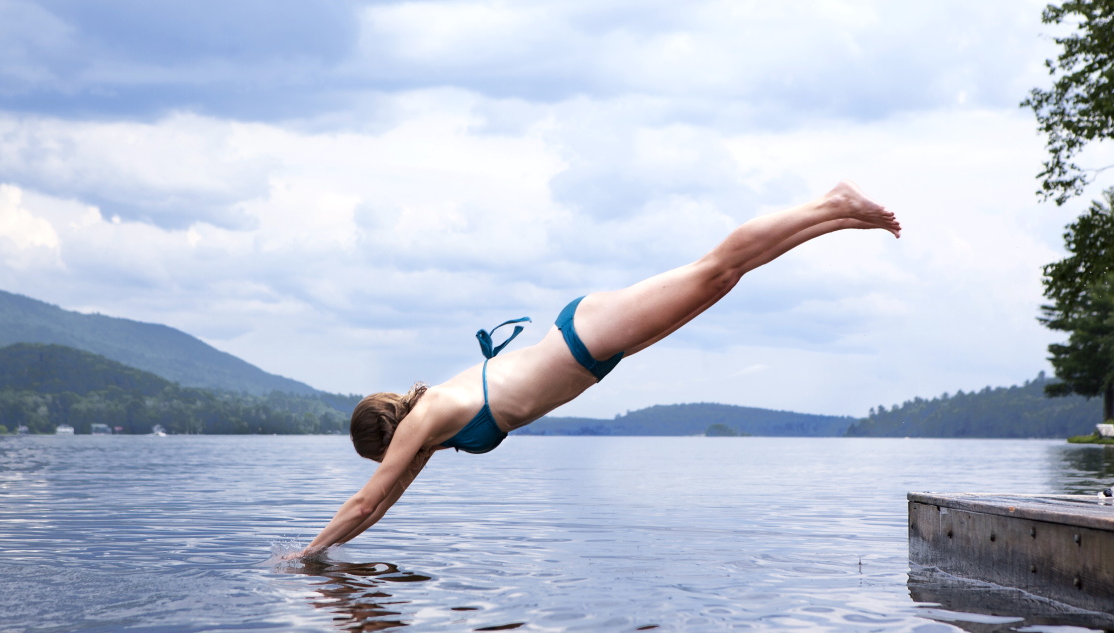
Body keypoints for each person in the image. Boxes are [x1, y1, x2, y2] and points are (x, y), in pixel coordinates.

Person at [299, 181, 900, 557]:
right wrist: (324, 555)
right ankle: (838, 217)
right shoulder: (429, 430)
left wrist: (301, 557)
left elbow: (363, 503)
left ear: (382, 438)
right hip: (593, 353)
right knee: (724, 279)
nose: (388, 466)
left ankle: (832, 204)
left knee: (715, 267)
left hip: (583, 339)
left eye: (379, 458)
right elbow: (382, 504)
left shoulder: (423, 421)